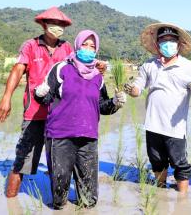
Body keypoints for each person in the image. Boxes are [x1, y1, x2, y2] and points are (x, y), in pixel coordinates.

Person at [34, 30, 126, 209]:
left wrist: (115, 103)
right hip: (60, 136)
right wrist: (39, 94)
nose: (89, 49)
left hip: (88, 137)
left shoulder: (98, 77)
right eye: (85, 44)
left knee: (89, 200)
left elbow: (101, 106)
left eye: (93, 46)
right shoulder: (62, 69)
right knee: (59, 199)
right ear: (77, 45)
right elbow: (46, 99)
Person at [0, 7, 73, 198]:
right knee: (23, 160)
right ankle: (11, 202)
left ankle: (58, 204)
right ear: (44, 24)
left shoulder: (67, 48)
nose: (57, 27)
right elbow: (17, 70)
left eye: (61, 24)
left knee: (59, 161)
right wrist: (6, 98)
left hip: (60, 115)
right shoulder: (30, 46)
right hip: (34, 114)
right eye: (53, 23)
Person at [124, 23, 191, 193]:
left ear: (179, 44)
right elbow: (138, 89)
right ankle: (160, 192)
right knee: (157, 161)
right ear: (157, 44)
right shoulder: (149, 65)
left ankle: (182, 201)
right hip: (153, 125)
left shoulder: (189, 67)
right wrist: (132, 90)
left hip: (175, 128)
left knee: (180, 164)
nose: (168, 43)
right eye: (163, 40)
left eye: (172, 40)